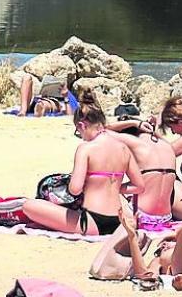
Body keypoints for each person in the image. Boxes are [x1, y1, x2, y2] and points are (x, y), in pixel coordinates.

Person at [13, 93, 145, 236]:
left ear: (82, 125)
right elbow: (139, 186)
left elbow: (75, 189)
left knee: (29, 205)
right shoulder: (124, 149)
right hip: (119, 221)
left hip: (91, 221)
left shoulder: (86, 148)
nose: (81, 136)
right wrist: (115, 188)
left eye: (78, 131)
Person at [102, 114, 177, 232]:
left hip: (141, 216)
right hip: (165, 219)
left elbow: (101, 130)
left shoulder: (135, 143)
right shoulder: (166, 145)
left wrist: (134, 122)